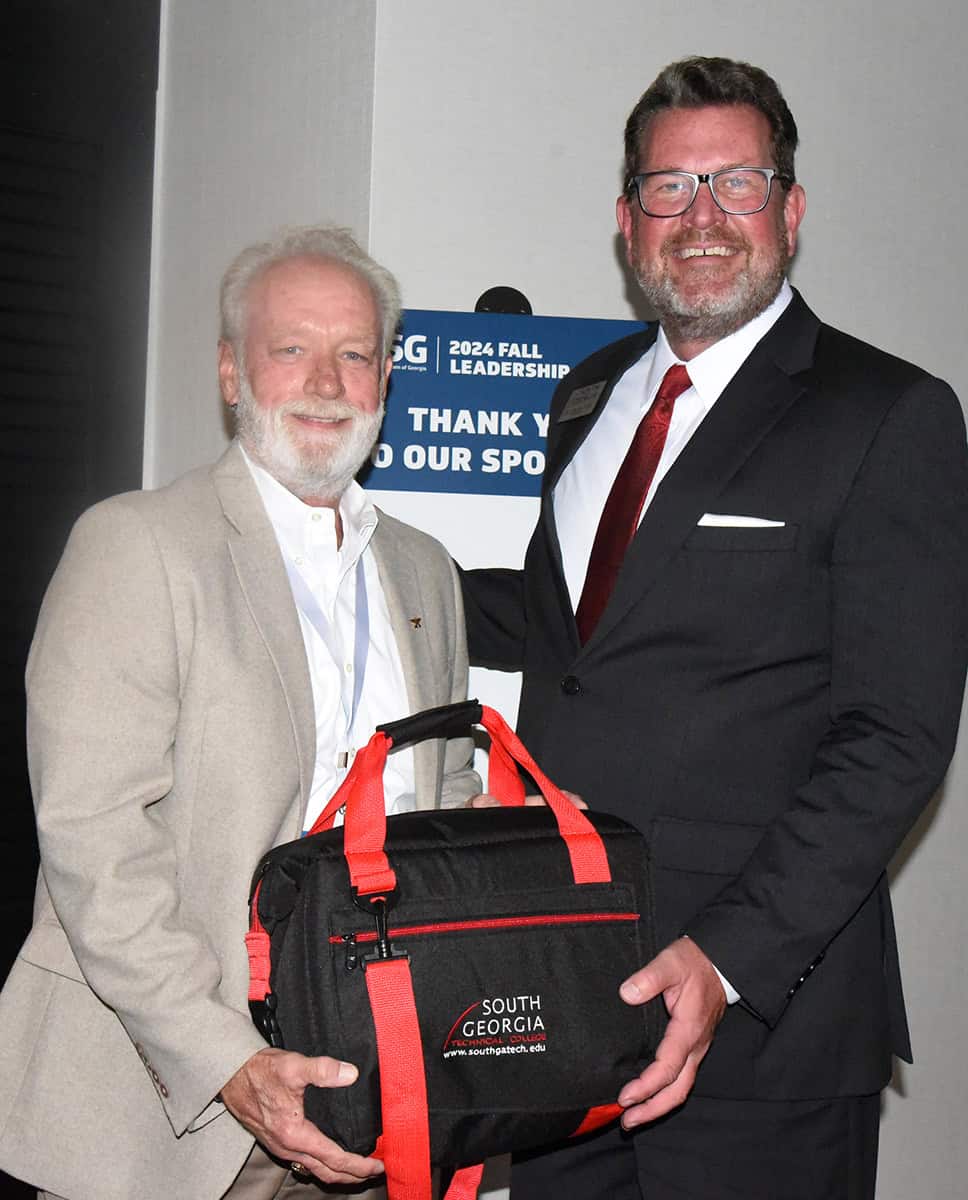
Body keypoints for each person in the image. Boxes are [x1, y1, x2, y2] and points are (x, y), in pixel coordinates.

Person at [461, 56, 968, 1199]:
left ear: (788, 210)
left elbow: (892, 739)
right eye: (667, 188)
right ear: (625, 220)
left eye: (735, 184)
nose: (699, 219)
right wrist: (360, 561)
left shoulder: (888, 414)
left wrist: (723, 961)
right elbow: (566, 632)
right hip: (567, 1002)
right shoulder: (583, 397)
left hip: (761, 1033)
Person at [0, 225, 479, 1200]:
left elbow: (448, 806)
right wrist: (229, 1061)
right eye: (290, 347)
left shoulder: (425, 570)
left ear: (387, 376)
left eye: (354, 353)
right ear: (230, 372)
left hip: (372, 1109)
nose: (326, 380)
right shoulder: (134, 547)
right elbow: (95, 842)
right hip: (167, 1114)